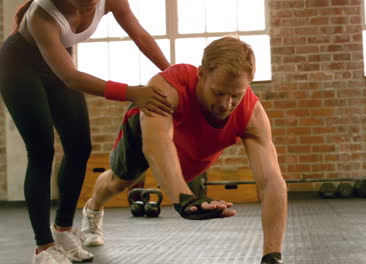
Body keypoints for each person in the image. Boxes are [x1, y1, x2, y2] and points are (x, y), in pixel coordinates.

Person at [81, 36, 288, 264]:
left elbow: (271, 182)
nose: (226, 104)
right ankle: (93, 209)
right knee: (120, 181)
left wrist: (272, 255)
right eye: (218, 93)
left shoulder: (252, 115)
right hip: (149, 134)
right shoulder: (167, 87)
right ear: (200, 74)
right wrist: (183, 198)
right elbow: (156, 144)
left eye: (235, 95)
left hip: (193, 148)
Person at [0, 0, 173, 263]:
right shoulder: (42, 14)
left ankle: (63, 229)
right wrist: (132, 93)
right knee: (41, 151)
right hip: (18, 67)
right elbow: (70, 77)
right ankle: (43, 247)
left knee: (79, 148)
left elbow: (140, 35)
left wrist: (174, 75)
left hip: (57, 61)